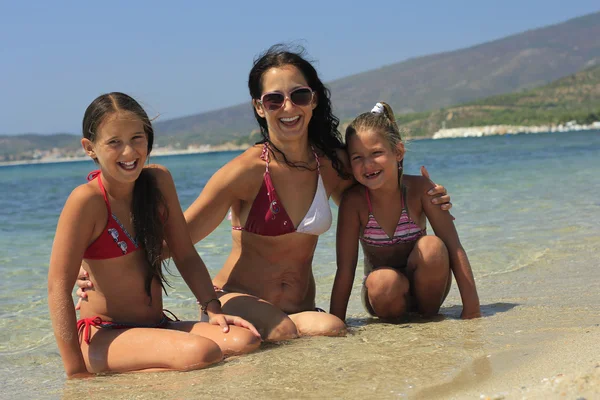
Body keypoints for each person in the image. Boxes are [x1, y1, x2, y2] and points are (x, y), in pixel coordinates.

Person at [76, 45, 453, 341]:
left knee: (329, 329)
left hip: (299, 308)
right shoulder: (246, 172)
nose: (288, 107)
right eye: (274, 100)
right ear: (260, 107)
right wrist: (89, 262)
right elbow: (177, 239)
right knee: (303, 332)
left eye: (299, 95)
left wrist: (426, 196)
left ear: (314, 100)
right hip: (239, 298)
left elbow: (380, 192)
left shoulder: (333, 166)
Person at [48, 92, 260, 378]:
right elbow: (57, 288)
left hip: (156, 325)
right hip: (106, 334)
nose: (129, 152)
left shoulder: (158, 182)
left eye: (137, 138)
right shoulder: (86, 201)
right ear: (90, 148)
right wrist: (75, 373)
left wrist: (212, 307)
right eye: (114, 142)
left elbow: (185, 253)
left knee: (245, 341)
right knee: (202, 352)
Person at [329, 102, 481, 322]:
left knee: (433, 247)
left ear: (398, 151)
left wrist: (472, 310)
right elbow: (345, 269)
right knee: (383, 281)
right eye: (357, 158)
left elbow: (454, 248)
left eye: (376, 153)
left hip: (429, 290)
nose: (368, 164)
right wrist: (337, 322)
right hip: (383, 295)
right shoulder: (354, 204)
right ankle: (399, 329)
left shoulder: (421, 191)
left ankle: (428, 321)